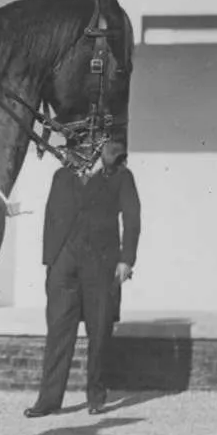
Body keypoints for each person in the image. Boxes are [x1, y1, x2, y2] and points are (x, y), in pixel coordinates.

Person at [24, 139, 141, 418]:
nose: (83, 151)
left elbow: (133, 218)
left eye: (91, 145)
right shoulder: (61, 176)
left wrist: (126, 260)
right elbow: (51, 217)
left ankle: (96, 396)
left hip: (101, 263)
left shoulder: (121, 176)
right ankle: (49, 400)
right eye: (78, 146)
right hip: (64, 264)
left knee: (99, 331)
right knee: (58, 331)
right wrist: (51, 260)